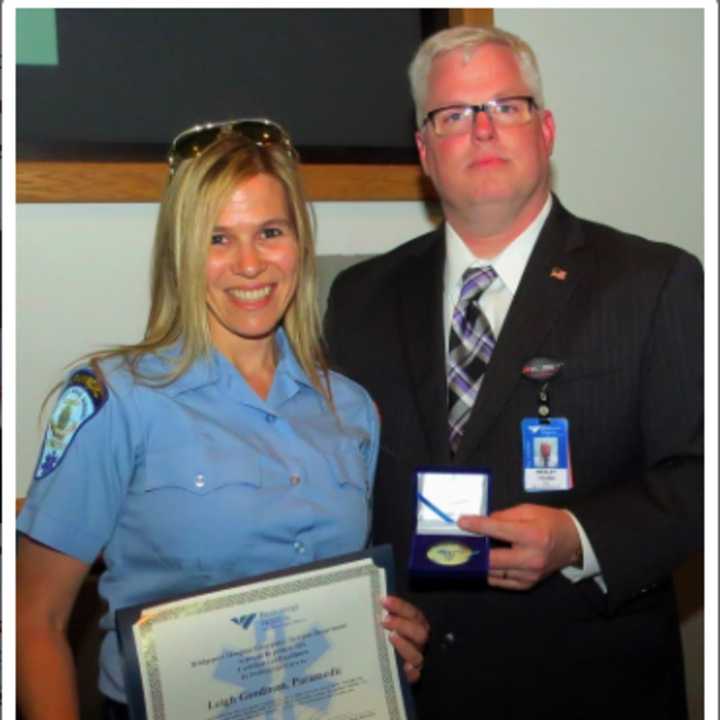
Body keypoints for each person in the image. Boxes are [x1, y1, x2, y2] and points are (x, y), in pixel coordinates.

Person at [324, 26, 702, 719]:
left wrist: (577, 539)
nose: (483, 131)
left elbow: (699, 476)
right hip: (415, 686)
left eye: (507, 106)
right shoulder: (358, 299)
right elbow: (339, 487)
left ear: (546, 129)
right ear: (424, 151)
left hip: (592, 687)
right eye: (454, 115)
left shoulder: (654, 283)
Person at [17, 118, 429, 720]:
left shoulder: (352, 410)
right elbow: (35, 618)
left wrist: (389, 638)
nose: (249, 263)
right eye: (217, 238)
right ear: (182, 253)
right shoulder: (114, 400)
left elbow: (343, 596)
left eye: (269, 231)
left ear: (300, 243)